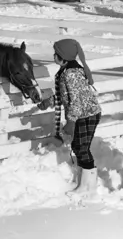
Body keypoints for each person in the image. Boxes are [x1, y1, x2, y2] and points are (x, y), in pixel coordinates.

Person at [38, 38, 101, 194]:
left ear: (63, 57)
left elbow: (76, 101)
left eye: (56, 54)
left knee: (81, 148)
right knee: (79, 147)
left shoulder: (71, 74)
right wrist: (49, 102)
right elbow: (65, 96)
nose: (54, 56)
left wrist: (71, 121)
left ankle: (88, 186)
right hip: (82, 114)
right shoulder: (66, 71)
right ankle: (85, 184)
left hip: (87, 114)